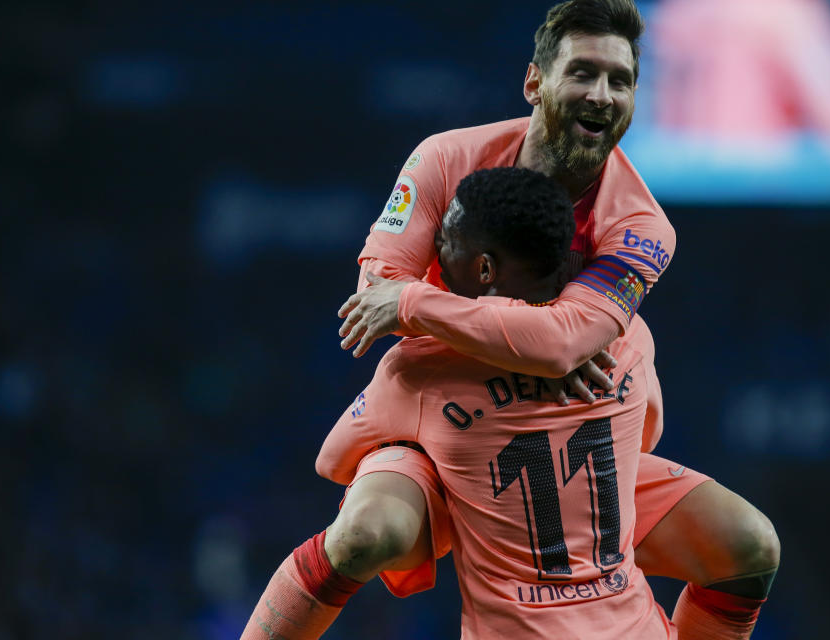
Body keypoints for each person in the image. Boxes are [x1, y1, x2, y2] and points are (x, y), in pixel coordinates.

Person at [332, 1, 778, 639]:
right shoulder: (444, 160)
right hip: (443, 432)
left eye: (620, 80)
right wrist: (536, 343)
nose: (601, 95)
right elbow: (374, 295)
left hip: (561, 436)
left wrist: (426, 308)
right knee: (365, 536)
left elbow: (560, 344)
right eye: (583, 73)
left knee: (749, 544)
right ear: (534, 82)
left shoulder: (642, 226)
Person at [242, 166, 677, 638]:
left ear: (484, 268)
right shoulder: (628, 338)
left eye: (445, 240)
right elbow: (646, 435)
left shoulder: (427, 363)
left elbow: (332, 461)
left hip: (515, 629)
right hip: (634, 622)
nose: (435, 253)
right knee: (749, 546)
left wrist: (438, 460)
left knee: (361, 533)